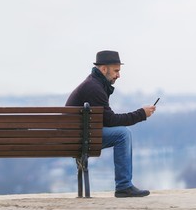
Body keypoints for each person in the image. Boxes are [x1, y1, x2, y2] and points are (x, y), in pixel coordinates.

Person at [65, 50, 156, 198]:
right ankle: (124, 186)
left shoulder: (94, 83)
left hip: (77, 136)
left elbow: (105, 120)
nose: (118, 75)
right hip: (78, 139)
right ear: (104, 69)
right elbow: (111, 121)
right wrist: (141, 114)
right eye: (116, 71)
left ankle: (124, 186)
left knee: (122, 133)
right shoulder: (94, 88)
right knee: (123, 134)